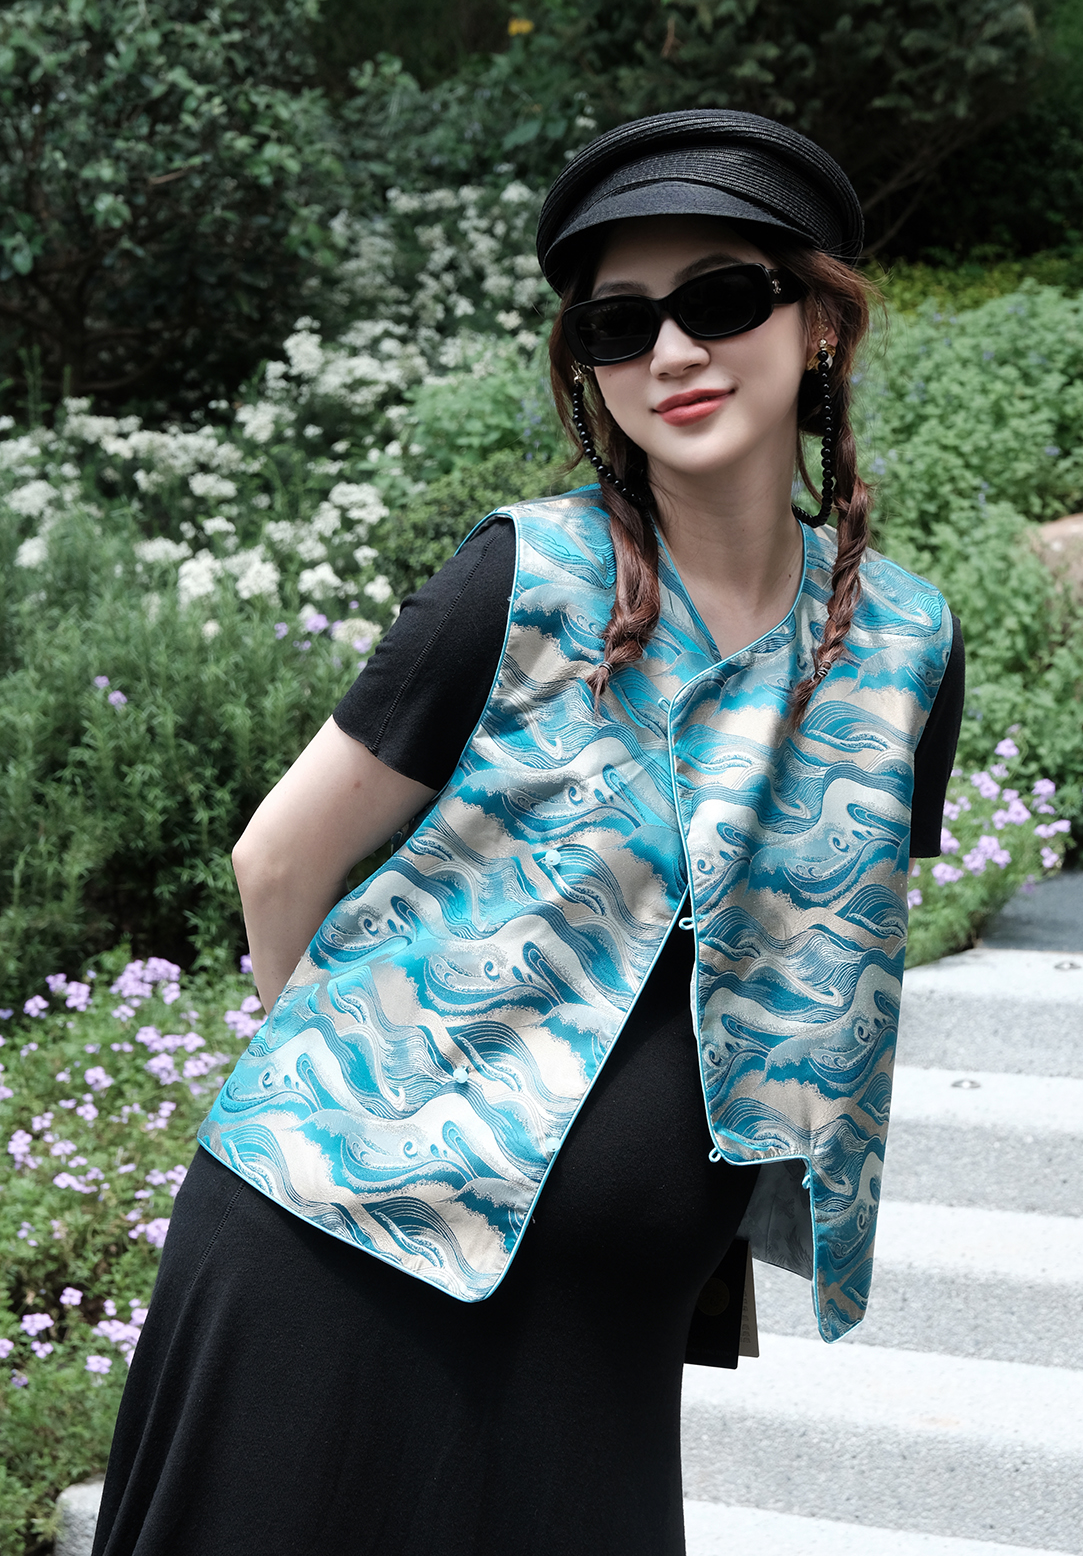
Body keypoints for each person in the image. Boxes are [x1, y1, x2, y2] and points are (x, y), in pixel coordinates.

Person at [92, 109, 964, 1556]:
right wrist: (376, 1115)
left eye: (722, 300)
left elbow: (792, 954)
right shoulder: (522, 577)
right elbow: (278, 860)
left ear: (820, 324)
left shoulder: (906, 643)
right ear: (590, 370)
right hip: (335, 1263)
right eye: (622, 325)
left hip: (609, 1323)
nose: (673, 352)